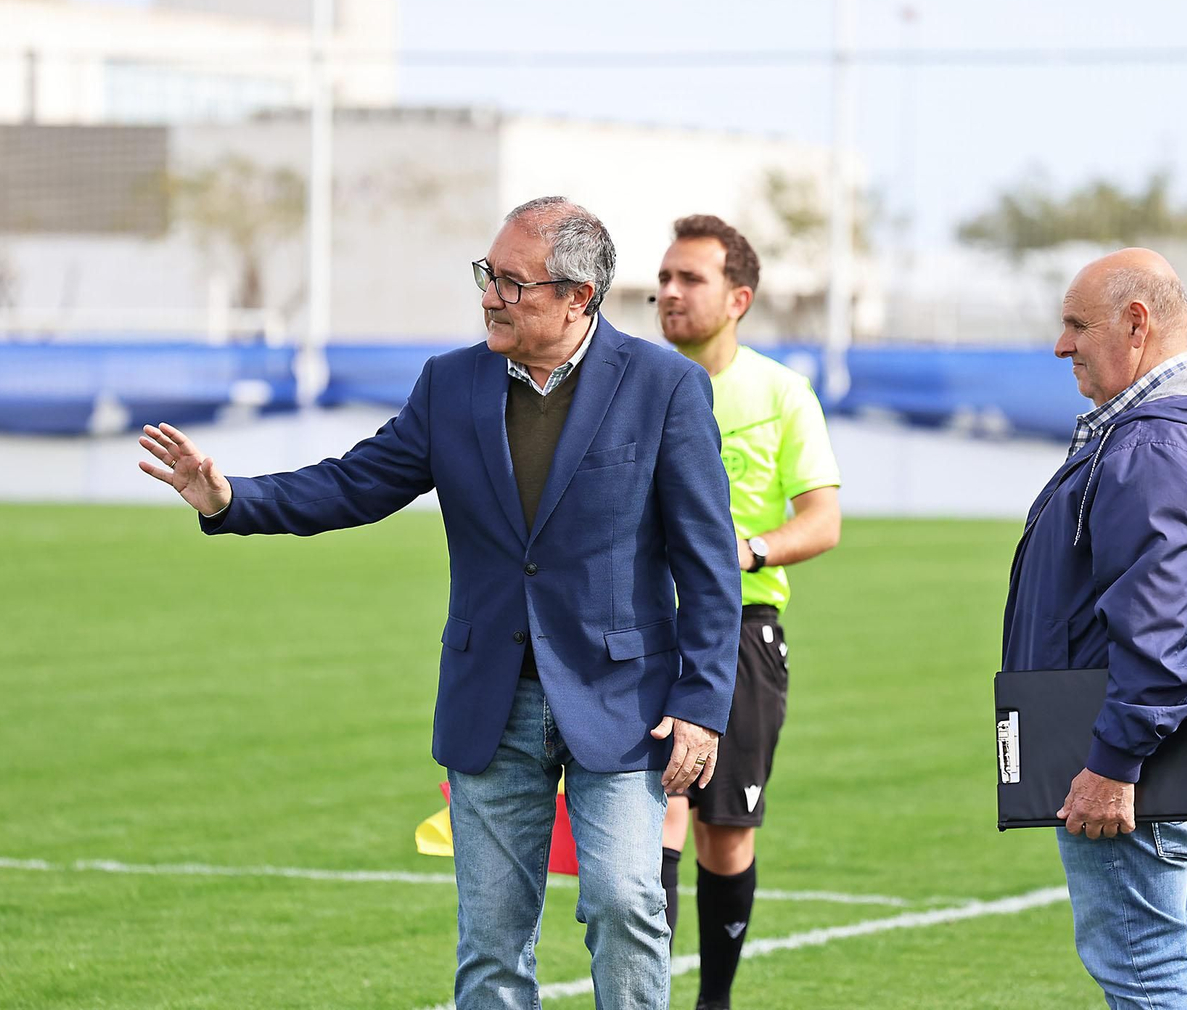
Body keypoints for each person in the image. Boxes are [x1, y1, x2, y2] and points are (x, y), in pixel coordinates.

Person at [138, 197, 742, 1010]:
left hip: (623, 700)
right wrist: (229, 498)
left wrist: (701, 704)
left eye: (511, 282)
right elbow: (354, 482)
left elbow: (709, 563)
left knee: (625, 905)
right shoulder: (450, 383)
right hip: (489, 699)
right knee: (492, 944)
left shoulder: (665, 388)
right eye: (486, 275)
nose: (489, 295)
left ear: (578, 297)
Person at [1001, 248, 1187, 1009]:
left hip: (1143, 755)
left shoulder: (1153, 441)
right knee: (1147, 961)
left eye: (1075, 325)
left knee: (1145, 971)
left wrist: (1115, 761)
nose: (1061, 345)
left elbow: (1155, 624)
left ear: (1136, 323)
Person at [652, 214, 841, 1010]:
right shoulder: (630, 382)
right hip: (641, 632)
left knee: (722, 832)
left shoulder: (779, 392)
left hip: (738, 634)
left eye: (688, 279)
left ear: (738, 297)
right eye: (663, 278)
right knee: (650, 812)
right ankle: (643, 994)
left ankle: (713, 1001)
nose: (668, 293)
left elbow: (822, 520)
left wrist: (749, 550)